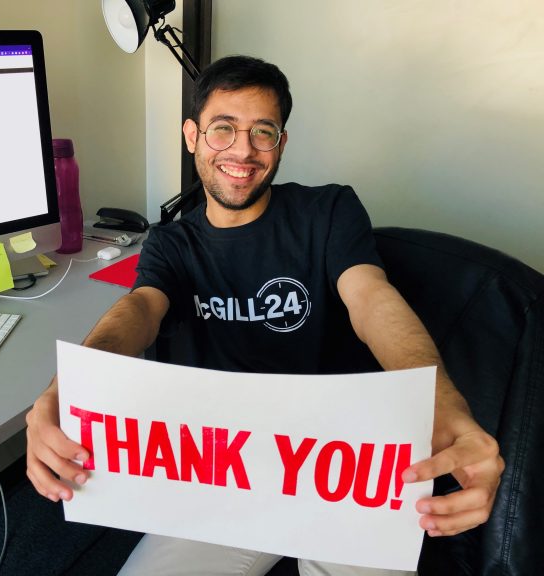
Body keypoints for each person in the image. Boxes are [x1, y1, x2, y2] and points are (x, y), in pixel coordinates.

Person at [25, 55, 504, 576]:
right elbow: (139, 309)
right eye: (223, 129)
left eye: (263, 132)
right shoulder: (172, 242)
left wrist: (443, 405)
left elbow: (371, 299)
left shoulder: (328, 211)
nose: (243, 150)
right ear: (192, 136)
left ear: (282, 143)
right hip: (219, 471)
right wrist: (70, 388)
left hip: (341, 462)